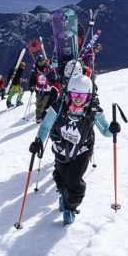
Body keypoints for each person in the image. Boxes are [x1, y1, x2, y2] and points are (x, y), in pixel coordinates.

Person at [29, 74, 119, 225]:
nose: (78, 98)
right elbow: (46, 125)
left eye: (82, 95)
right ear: (69, 93)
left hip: (82, 151)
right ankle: (64, 196)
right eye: (75, 94)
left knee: (74, 181)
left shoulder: (93, 110)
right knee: (62, 178)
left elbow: (105, 131)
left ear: (88, 95)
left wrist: (112, 129)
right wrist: (38, 141)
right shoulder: (58, 107)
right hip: (61, 149)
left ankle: (69, 208)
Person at [28, 55, 58, 123]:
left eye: (43, 60)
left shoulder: (49, 68)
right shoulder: (35, 70)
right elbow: (32, 79)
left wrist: (52, 82)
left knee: (44, 104)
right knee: (38, 104)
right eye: (40, 61)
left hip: (47, 89)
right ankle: (38, 117)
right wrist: (32, 86)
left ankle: (43, 115)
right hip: (38, 90)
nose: (42, 62)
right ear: (37, 62)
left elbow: (54, 77)